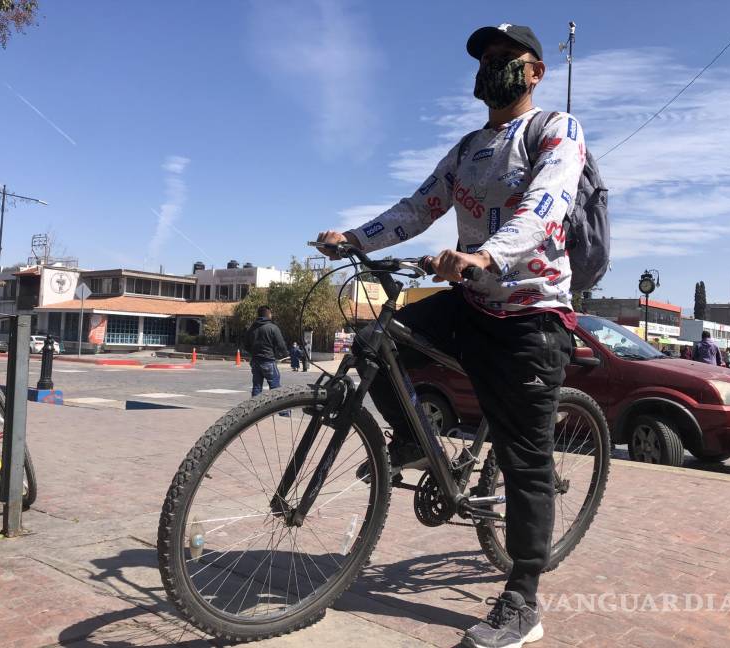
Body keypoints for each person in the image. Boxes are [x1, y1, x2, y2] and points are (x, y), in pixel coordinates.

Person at [317, 22, 584, 648]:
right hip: (469, 301)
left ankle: (522, 599)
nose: (492, 67)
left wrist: (487, 255)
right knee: (372, 345)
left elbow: (545, 205)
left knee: (525, 457)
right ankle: (415, 442)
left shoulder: (555, 130)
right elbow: (419, 207)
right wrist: (355, 237)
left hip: (532, 314)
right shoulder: (468, 148)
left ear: (534, 71)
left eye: (504, 58)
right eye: (485, 59)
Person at [244, 305, 287, 397]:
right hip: (268, 361)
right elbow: (281, 344)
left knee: (257, 387)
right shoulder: (273, 328)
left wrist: (254, 353)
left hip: (255, 362)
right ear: (268, 314)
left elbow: (246, 346)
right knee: (275, 388)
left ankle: (254, 410)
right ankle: (284, 412)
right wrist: (285, 354)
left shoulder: (251, 329)